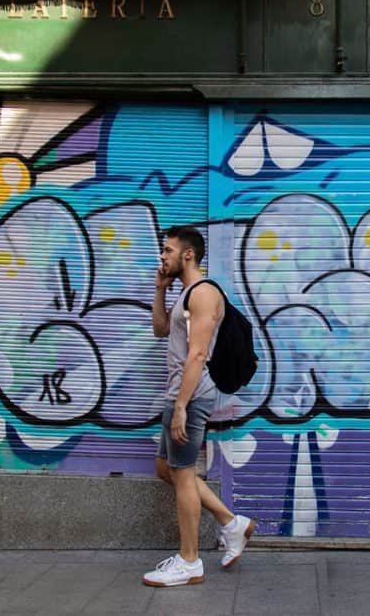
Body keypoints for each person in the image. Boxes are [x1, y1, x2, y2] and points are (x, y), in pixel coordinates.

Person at [143, 225, 255, 588]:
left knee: (184, 470)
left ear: (187, 254)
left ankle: (189, 560)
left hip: (190, 394)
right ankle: (231, 523)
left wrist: (181, 406)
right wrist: (160, 291)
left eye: (167, 250)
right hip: (179, 392)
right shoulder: (185, 293)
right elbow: (161, 330)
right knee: (168, 468)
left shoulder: (204, 294)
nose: (162, 256)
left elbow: (198, 353)